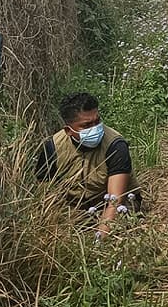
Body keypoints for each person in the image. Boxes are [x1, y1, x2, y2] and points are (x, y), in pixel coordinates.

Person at [35, 92, 141, 230]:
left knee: (122, 222)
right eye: (87, 125)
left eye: (97, 121)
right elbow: (45, 197)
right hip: (76, 208)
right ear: (69, 130)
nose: (95, 128)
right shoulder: (52, 147)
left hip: (114, 205)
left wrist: (99, 242)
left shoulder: (116, 146)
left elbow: (115, 201)